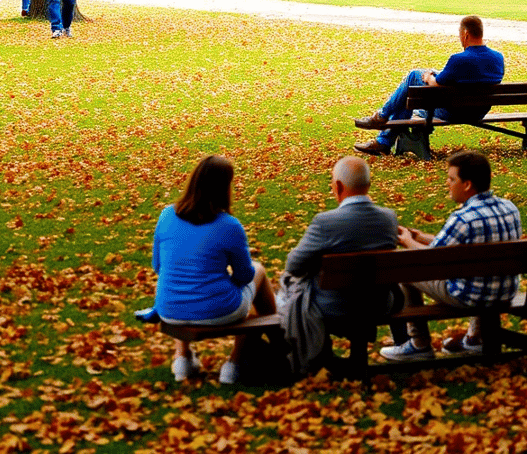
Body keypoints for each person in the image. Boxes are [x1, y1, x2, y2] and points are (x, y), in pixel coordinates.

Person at [380, 151, 522, 360]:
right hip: (505, 292)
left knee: (406, 270)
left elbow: (433, 259)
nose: (447, 183)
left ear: (467, 184)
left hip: (469, 297)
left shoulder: (463, 218)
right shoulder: (509, 208)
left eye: (452, 179)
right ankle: (475, 338)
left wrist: (408, 242)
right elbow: (453, 245)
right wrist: (420, 237)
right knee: (480, 272)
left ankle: (419, 343)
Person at [152, 154, 276, 384]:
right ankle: (237, 363)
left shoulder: (167, 215)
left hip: (169, 308)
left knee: (185, 281)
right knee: (258, 269)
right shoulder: (229, 225)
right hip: (219, 310)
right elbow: (245, 275)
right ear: (224, 188)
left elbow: (158, 266)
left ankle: (182, 359)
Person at [279, 157, 399, 375]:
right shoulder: (389, 218)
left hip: (333, 307)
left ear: (339, 186)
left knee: (290, 286)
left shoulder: (325, 222)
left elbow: (294, 265)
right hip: (378, 305)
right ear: (368, 185)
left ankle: (319, 356)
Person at [354, 15, 504, 156]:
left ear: (465, 34)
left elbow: (437, 83)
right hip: (477, 112)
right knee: (408, 98)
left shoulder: (459, 60)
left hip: (453, 112)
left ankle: (381, 119)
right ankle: (383, 140)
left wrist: (429, 77)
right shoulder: (498, 58)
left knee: (413, 78)